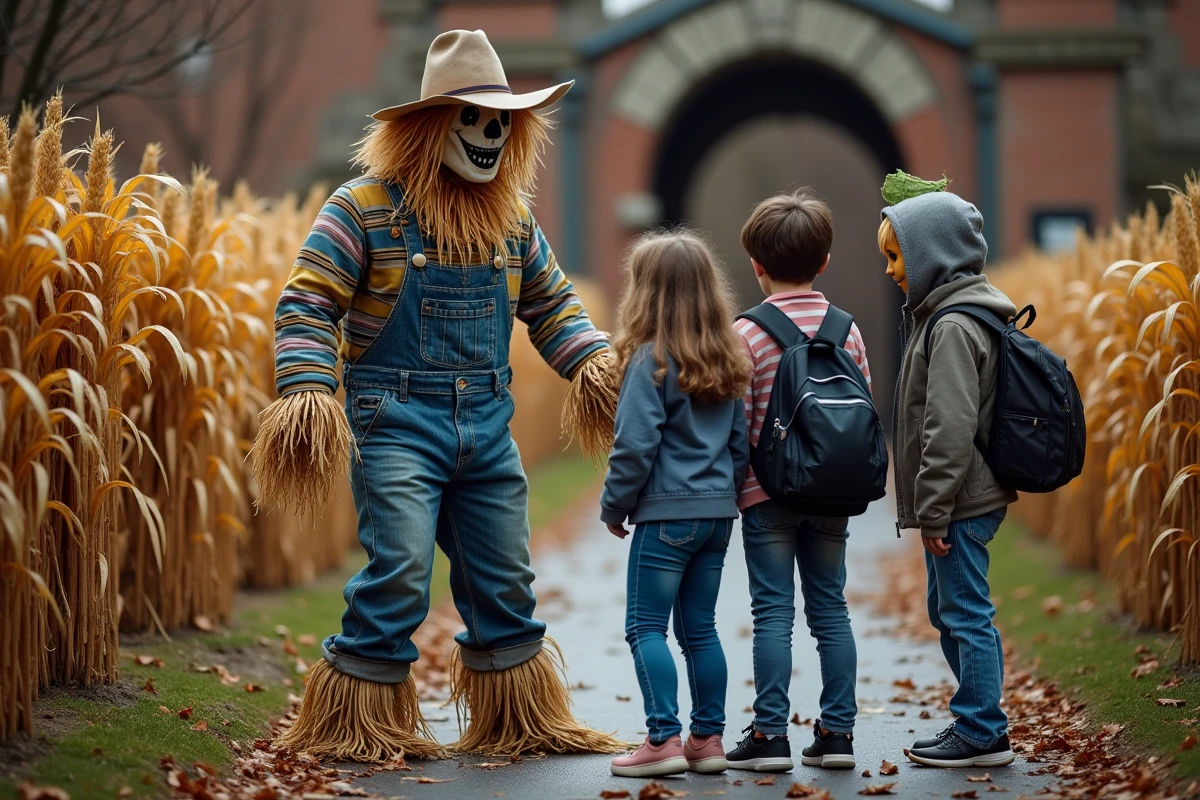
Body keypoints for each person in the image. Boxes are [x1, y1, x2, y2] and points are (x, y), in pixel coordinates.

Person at [254, 30, 624, 761]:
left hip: (488, 427)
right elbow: (306, 303)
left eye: (501, 122)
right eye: (472, 118)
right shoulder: (362, 208)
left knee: (505, 580)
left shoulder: (512, 220)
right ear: (428, 125)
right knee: (397, 572)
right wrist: (307, 388)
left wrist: (594, 362)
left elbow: (552, 305)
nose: (489, 135)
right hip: (393, 423)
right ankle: (356, 727)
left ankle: (519, 722)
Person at [725, 189, 868, 772]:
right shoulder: (849, 330)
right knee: (831, 609)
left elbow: (736, 425)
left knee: (773, 613)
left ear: (756, 265)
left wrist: (733, 488)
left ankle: (769, 737)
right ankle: (837, 733)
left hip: (768, 494)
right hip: (834, 490)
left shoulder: (747, 334)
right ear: (825, 261)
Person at [878, 176, 1018, 768]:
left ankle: (983, 729)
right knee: (951, 609)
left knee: (964, 611)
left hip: (961, 500)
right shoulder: (945, 317)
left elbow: (949, 427)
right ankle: (978, 720)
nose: (890, 271)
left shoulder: (954, 326)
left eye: (894, 256)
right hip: (959, 499)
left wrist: (933, 508)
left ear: (930, 252)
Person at [601, 231, 751, 778]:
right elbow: (739, 446)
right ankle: (707, 741)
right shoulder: (728, 358)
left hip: (666, 516)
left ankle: (662, 739)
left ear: (646, 294)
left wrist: (614, 506)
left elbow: (635, 445)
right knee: (700, 631)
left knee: (645, 627)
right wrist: (722, 499)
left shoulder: (650, 360)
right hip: (716, 517)